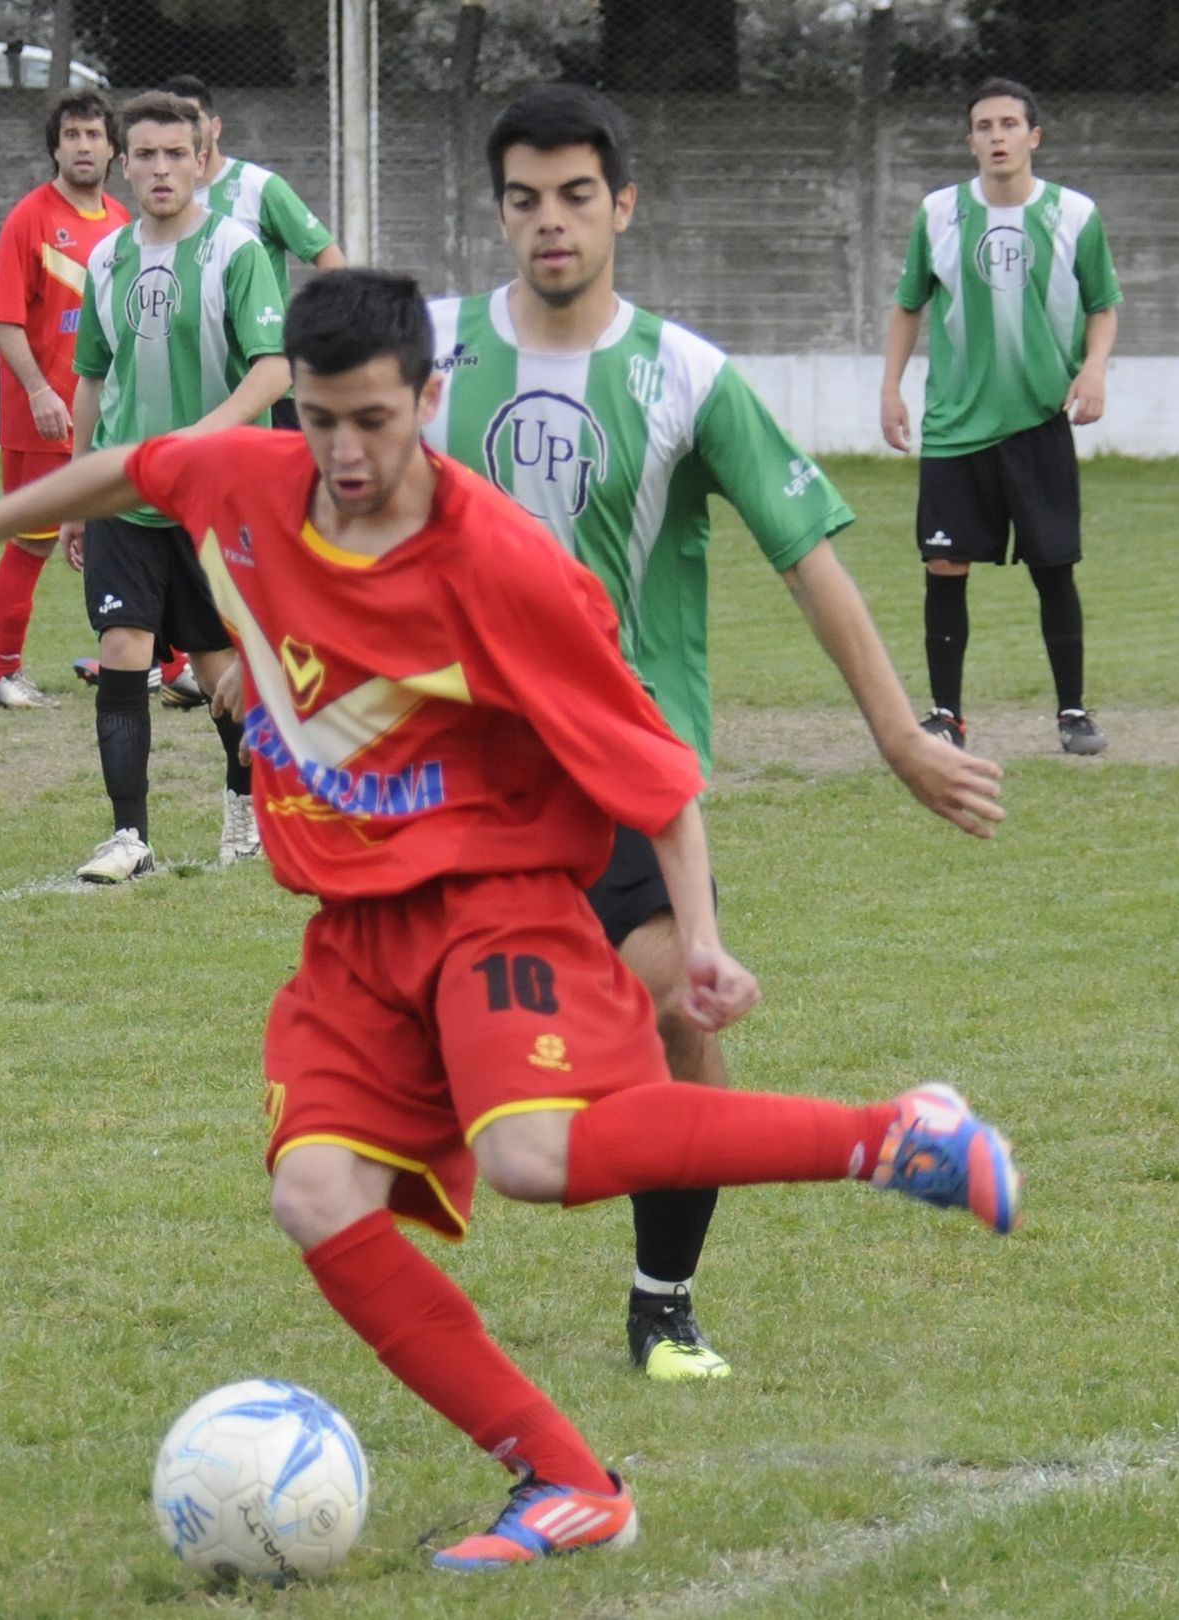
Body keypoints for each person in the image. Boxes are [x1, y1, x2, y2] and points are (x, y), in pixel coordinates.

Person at [0, 269, 1023, 1573]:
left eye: (374, 419)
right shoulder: (250, 483)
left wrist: (698, 937)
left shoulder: (504, 567)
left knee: (534, 1154)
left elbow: (654, 766)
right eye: (319, 420)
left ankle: (894, 1135)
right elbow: (134, 463)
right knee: (313, 1193)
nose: (345, 452)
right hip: (353, 928)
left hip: (498, 897)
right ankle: (570, 1479)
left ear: (429, 397)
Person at [422, 84, 1007, 1384]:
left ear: (622, 204)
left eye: (578, 195)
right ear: (500, 210)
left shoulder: (686, 375)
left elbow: (809, 560)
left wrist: (903, 737)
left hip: (631, 767)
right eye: (525, 199)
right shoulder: (432, 362)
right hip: (468, 778)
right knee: (447, 1067)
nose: (552, 222)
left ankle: (664, 1306)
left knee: (681, 1006)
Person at [65, 91, 291, 880]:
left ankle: (246, 806)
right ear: (124, 167)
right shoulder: (105, 259)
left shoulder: (237, 250)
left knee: (222, 666)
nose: (160, 168)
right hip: (128, 494)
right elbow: (92, 377)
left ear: (202, 161)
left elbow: (275, 367)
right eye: (146, 155)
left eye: (175, 154)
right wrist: (75, 488)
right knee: (122, 646)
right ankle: (130, 836)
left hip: (220, 499)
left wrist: (200, 438)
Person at [880, 77, 1122, 756]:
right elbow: (908, 304)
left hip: (1038, 421)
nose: (996, 137)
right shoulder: (938, 214)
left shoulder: (1076, 215)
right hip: (956, 426)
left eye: (1009, 124)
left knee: (1054, 567)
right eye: (983, 127)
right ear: (971, 141)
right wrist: (891, 388)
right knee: (944, 566)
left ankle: (1073, 712)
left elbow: (1103, 303)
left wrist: (1094, 367)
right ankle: (946, 716)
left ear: (1033, 137)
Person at [0, 89, 129, 709]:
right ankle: (2, 675)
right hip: (46, 418)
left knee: (135, 534)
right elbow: (3, 318)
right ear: (55, 148)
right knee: (35, 540)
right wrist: (40, 389)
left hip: (114, 416)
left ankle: (161, 663)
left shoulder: (124, 223)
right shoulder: (31, 219)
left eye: (94, 134)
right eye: (72, 135)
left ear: (114, 149)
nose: (84, 145)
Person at [164, 72, 347, 431]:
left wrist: (306, 334)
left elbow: (331, 260)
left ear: (215, 126)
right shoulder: (166, 203)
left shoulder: (258, 187)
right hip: (198, 391)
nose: (186, 130)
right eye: (174, 122)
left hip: (269, 391)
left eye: (193, 118)